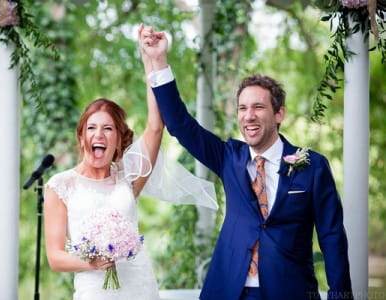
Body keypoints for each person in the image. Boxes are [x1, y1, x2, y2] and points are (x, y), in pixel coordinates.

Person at [139, 25, 353, 300]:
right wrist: (159, 61)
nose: (248, 116)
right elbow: (180, 124)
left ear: (279, 114)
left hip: (289, 291)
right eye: (242, 108)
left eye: (258, 107)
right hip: (228, 290)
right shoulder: (229, 157)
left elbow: (332, 236)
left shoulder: (313, 166)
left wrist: (341, 296)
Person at [43, 25, 217, 300]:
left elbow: (155, 127)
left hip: (140, 287)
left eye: (108, 129)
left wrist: (149, 59)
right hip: (93, 291)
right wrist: (93, 262)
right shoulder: (60, 185)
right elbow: (55, 257)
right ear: (81, 137)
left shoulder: (128, 178)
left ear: (119, 140)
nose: (99, 134)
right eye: (91, 128)